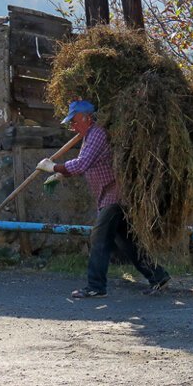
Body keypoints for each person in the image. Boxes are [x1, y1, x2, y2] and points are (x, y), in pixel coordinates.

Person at [36, 99, 171, 298]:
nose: (72, 126)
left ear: (87, 118)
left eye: (74, 121)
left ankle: (95, 286)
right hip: (111, 196)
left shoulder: (97, 133)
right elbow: (88, 165)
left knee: (99, 240)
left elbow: (82, 164)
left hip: (114, 196)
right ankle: (157, 276)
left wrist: (54, 167)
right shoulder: (90, 136)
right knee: (127, 242)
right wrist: (60, 174)